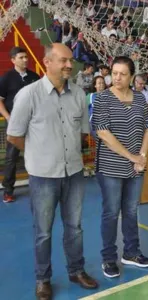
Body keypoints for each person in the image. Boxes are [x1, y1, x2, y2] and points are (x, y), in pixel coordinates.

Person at [6, 43, 98, 300]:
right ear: (47, 62)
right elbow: (14, 135)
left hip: (75, 173)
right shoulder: (28, 94)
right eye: (64, 60)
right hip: (43, 176)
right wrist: (37, 154)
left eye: (71, 60)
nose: (70, 64)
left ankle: (76, 270)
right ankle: (42, 279)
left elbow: (82, 132)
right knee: (43, 231)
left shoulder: (79, 94)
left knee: (75, 228)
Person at [92, 56, 148, 278]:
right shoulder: (102, 99)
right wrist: (132, 156)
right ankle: (108, 259)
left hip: (136, 167)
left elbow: (147, 128)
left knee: (131, 210)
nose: (117, 77)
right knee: (110, 213)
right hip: (110, 167)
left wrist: (143, 156)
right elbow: (102, 131)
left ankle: (132, 253)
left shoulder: (139, 99)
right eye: (114, 73)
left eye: (122, 74)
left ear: (131, 76)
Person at [0, 47, 40, 203]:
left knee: (37, 156)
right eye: (21, 57)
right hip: (15, 126)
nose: (25, 60)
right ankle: (8, 191)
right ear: (13, 60)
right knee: (11, 158)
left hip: (34, 124)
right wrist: (9, 117)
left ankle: (38, 188)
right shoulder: (6, 78)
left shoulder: (34, 77)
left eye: (26, 57)